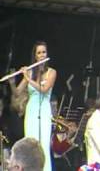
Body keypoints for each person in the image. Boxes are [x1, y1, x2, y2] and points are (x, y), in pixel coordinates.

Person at [13, 41, 57, 171]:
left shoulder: (52, 72)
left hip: (43, 111)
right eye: (39, 53)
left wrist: (28, 78)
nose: (42, 55)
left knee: (42, 144)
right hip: (31, 111)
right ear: (35, 56)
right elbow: (17, 92)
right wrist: (11, 82)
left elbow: (43, 89)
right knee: (30, 144)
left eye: (44, 52)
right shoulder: (31, 72)